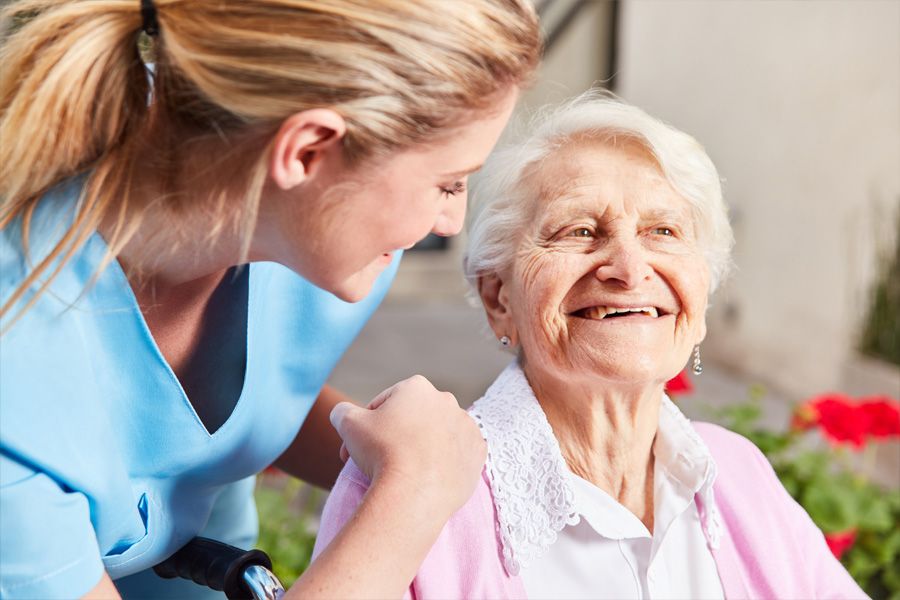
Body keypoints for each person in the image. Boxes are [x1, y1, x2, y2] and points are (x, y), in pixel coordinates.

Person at [0, 0, 540, 598]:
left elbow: (230, 408)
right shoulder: (16, 368)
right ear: (307, 151)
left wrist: (456, 477)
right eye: (448, 183)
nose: (450, 220)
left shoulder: (292, 219)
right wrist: (414, 491)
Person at [313, 93, 868, 599]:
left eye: (664, 232)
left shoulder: (736, 473)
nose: (629, 269)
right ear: (499, 298)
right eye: (578, 231)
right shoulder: (408, 486)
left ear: (701, 299)